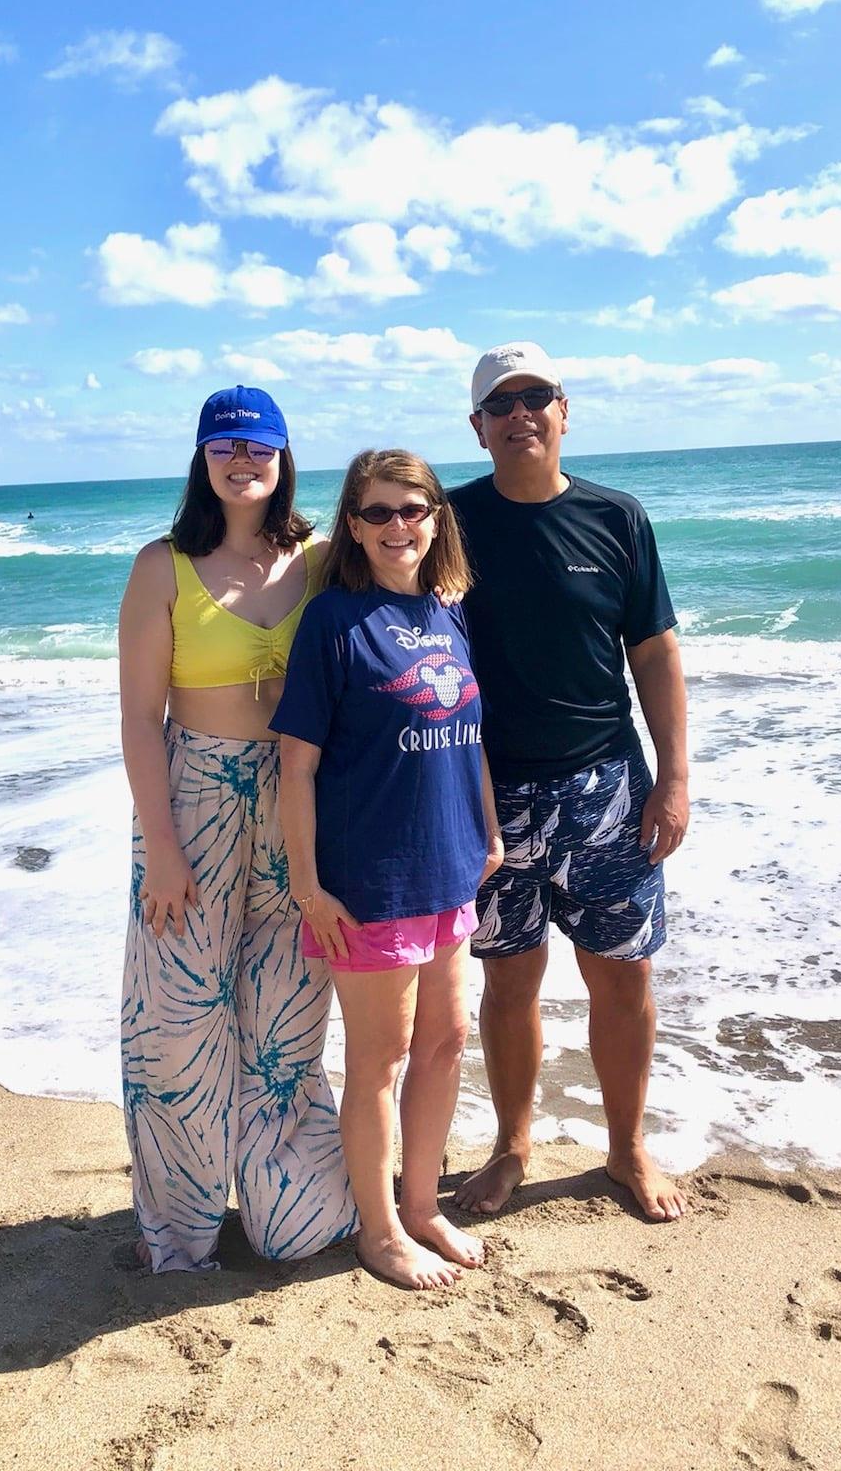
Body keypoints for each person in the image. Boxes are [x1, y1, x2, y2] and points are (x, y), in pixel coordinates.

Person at [448, 342, 690, 1223]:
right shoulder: (449, 523)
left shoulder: (618, 518)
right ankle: (512, 1147)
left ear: (563, 409)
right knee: (508, 983)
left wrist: (673, 780)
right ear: (478, 429)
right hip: (489, 799)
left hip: (610, 794)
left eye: (536, 397)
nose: (521, 415)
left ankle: (626, 1149)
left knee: (622, 979)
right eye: (501, 405)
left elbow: (654, 650)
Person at [117, 385, 357, 1272]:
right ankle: (180, 1231)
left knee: (289, 1016)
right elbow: (142, 720)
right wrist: (165, 855)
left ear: (286, 456)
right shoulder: (161, 566)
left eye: (260, 446)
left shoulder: (326, 557)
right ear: (202, 460)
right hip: (193, 797)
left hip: (302, 798)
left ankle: (290, 1210)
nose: (243, 461)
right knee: (177, 1024)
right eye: (226, 447)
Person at [272, 450, 504, 1290]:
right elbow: (295, 768)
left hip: (449, 868)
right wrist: (308, 885)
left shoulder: (450, 612)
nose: (397, 526)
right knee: (381, 1058)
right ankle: (377, 1231)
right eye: (377, 513)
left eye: (412, 509)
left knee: (447, 1039)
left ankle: (419, 1206)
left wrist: (487, 830)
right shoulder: (334, 622)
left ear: (436, 517)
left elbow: (469, 733)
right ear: (354, 526)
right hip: (368, 879)